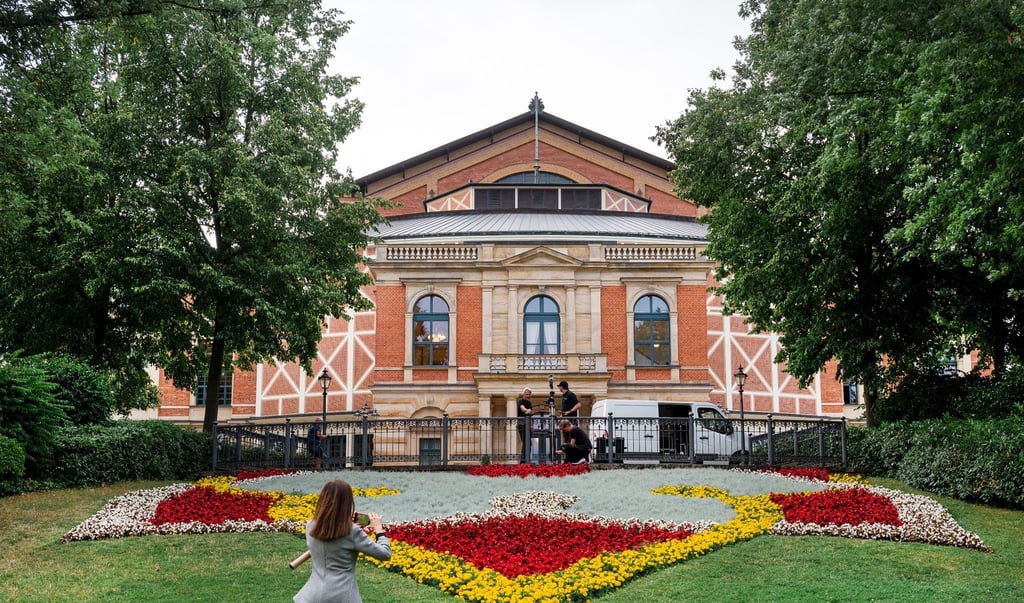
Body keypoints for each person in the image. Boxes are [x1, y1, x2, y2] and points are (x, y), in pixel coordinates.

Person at [294, 480, 392, 603]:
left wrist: (347, 524)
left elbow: (332, 534)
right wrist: (379, 529)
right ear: (347, 503)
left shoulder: (310, 526)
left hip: (312, 595)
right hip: (342, 596)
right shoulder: (352, 532)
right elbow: (385, 554)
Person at [516, 388, 534, 463]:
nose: (528, 396)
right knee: (526, 442)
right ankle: (524, 460)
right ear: (523, 394)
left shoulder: (529, 403)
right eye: (527, 394)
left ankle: (525, 459)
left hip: (527, 425)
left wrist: (531, 425)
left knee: (528, 443)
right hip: (521, 425)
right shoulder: (520, 401)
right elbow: (522, 408)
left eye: (529, 394)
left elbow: (530, 416)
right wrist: (527, 410)